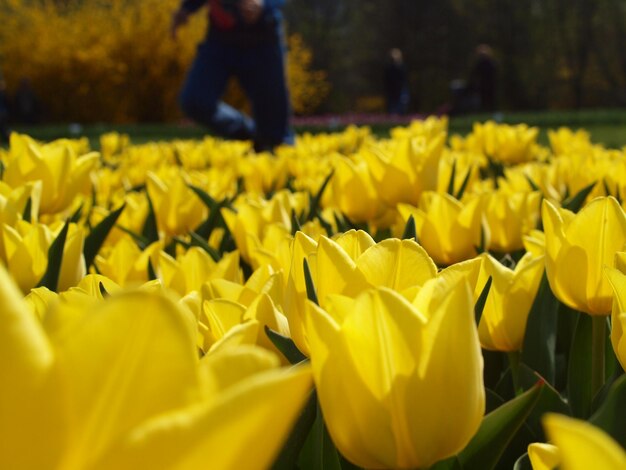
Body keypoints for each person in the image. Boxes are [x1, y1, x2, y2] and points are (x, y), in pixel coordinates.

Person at [171, 0, 294, 152]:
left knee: (274, 132)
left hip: (263, 38)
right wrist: (187, 8)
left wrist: (264, 5)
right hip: (220, 39)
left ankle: (272, 142)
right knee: (195, 100)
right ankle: (250, 132)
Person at [468, 44, 497, 112]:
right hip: (482, 84)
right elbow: (475, 73)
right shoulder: (479, 63)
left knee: (490, 98)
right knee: (483, 99)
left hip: (490, 83)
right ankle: (484, 110)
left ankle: (490, 111)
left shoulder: (490, 63)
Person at [383, 48, 410, 115]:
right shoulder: (389, 67)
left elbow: (405, 78)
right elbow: (387, 79)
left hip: (401, 89)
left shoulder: (402, 66)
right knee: (392, 109)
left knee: (401, 108)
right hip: (392, 90)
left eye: (396, 54)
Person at [0, 71, 10, 143]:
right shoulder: (3, 92)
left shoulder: (3, 93)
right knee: (3, 128)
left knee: (3, 128)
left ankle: (10, 139)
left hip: (2, 112)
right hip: (3, 112)